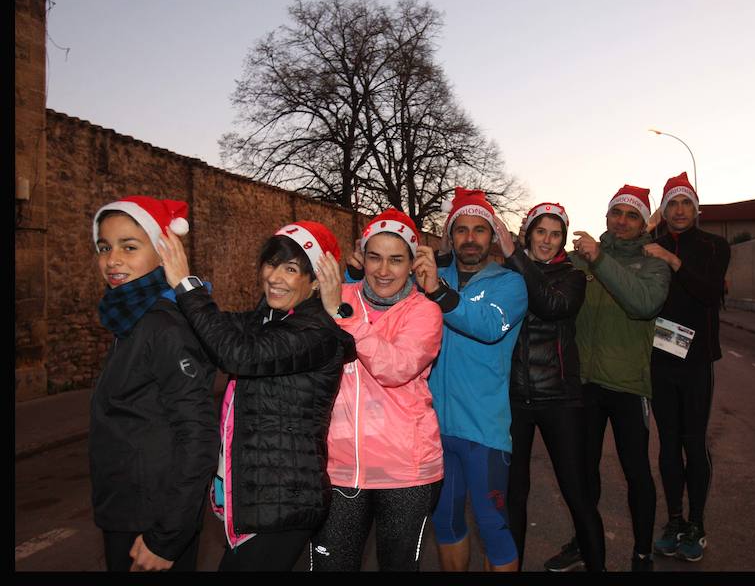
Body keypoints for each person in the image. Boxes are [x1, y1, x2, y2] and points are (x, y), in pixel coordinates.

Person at [156, 219, 354, 571]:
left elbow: (237, 354)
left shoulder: (315, 332)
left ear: (314, 283)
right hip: (260, 497)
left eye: (291, 268)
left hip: (283, 501)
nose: (275, 277)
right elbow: (212, 329)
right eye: (271, 263)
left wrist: (187, 286)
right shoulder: (267, 320)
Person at [543, 185, 671, 572]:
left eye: (632, 215)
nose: (623, 221)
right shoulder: (581, 262)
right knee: (583, 471)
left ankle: (643, 553)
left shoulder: (652, 261)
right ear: (607, 217)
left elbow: (643, 304)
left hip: (629, 386)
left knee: (636, 472)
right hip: (584, 385)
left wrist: (599, 260)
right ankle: (583, 542)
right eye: (617, 213)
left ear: (643, 221)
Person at [309, 209, 444, 571]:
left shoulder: (425, 312)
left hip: (406, 471)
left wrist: (341, 312)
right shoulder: (340, 295)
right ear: (361, 255)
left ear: (412, 263)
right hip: (338, 468)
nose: (384, 271)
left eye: (396, 260)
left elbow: (394, 367)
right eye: (375, 257)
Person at [90, 195, 218, 571]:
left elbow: (198, 438)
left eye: (129, 247)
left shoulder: (163, 325)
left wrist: (166, 539)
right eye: (104, 247)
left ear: (164, 252)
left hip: (152, 521)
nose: (112, 259)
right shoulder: (129, 318)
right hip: (126, 510)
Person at [413, 188, 528, 571]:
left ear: (493, 237)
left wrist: (438, 293)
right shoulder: (429, 277)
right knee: (445, 523)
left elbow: (488, 325)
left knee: (493, 527)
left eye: (480, 230)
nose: (470, 238)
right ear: (449, 236)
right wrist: (360, 268)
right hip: (433, 427)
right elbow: (376, 293)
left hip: (484, 432)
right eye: (460, 229)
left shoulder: (509, 284)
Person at [492, 203, 606, 572]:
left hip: (560, 397)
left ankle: (598, 567)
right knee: (515, 496)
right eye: (541, 231)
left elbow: (551, 305)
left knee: (577, 493)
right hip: (515, 400)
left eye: (555, 234)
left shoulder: (572, 276)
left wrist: (515, 257)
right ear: (528, 233)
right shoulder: (504, 272)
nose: (547, 240)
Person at [644, 172, 730, 562]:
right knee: (666, 444)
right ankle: (674, 519)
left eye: (685, 204)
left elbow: (709, 292)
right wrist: (649, 239)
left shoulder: (715, 246)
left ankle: (696, 523)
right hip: (660, 359)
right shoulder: (651, 245)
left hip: (697, 362)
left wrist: (673, 261)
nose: (679, 211)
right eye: (671, 205)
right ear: (663, 211)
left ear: (696, 210)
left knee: (693, 442)